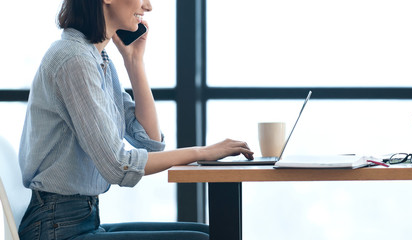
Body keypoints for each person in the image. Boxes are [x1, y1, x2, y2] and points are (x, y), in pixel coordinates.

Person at [17, 0, 254, 239]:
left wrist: (134, 61)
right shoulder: (74, 59)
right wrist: (201, 152)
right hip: (56, 228)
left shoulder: (96, 59)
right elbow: (117, 166)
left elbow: (150, 140)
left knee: (211, 233)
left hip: (78, 220)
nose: (148, 6)